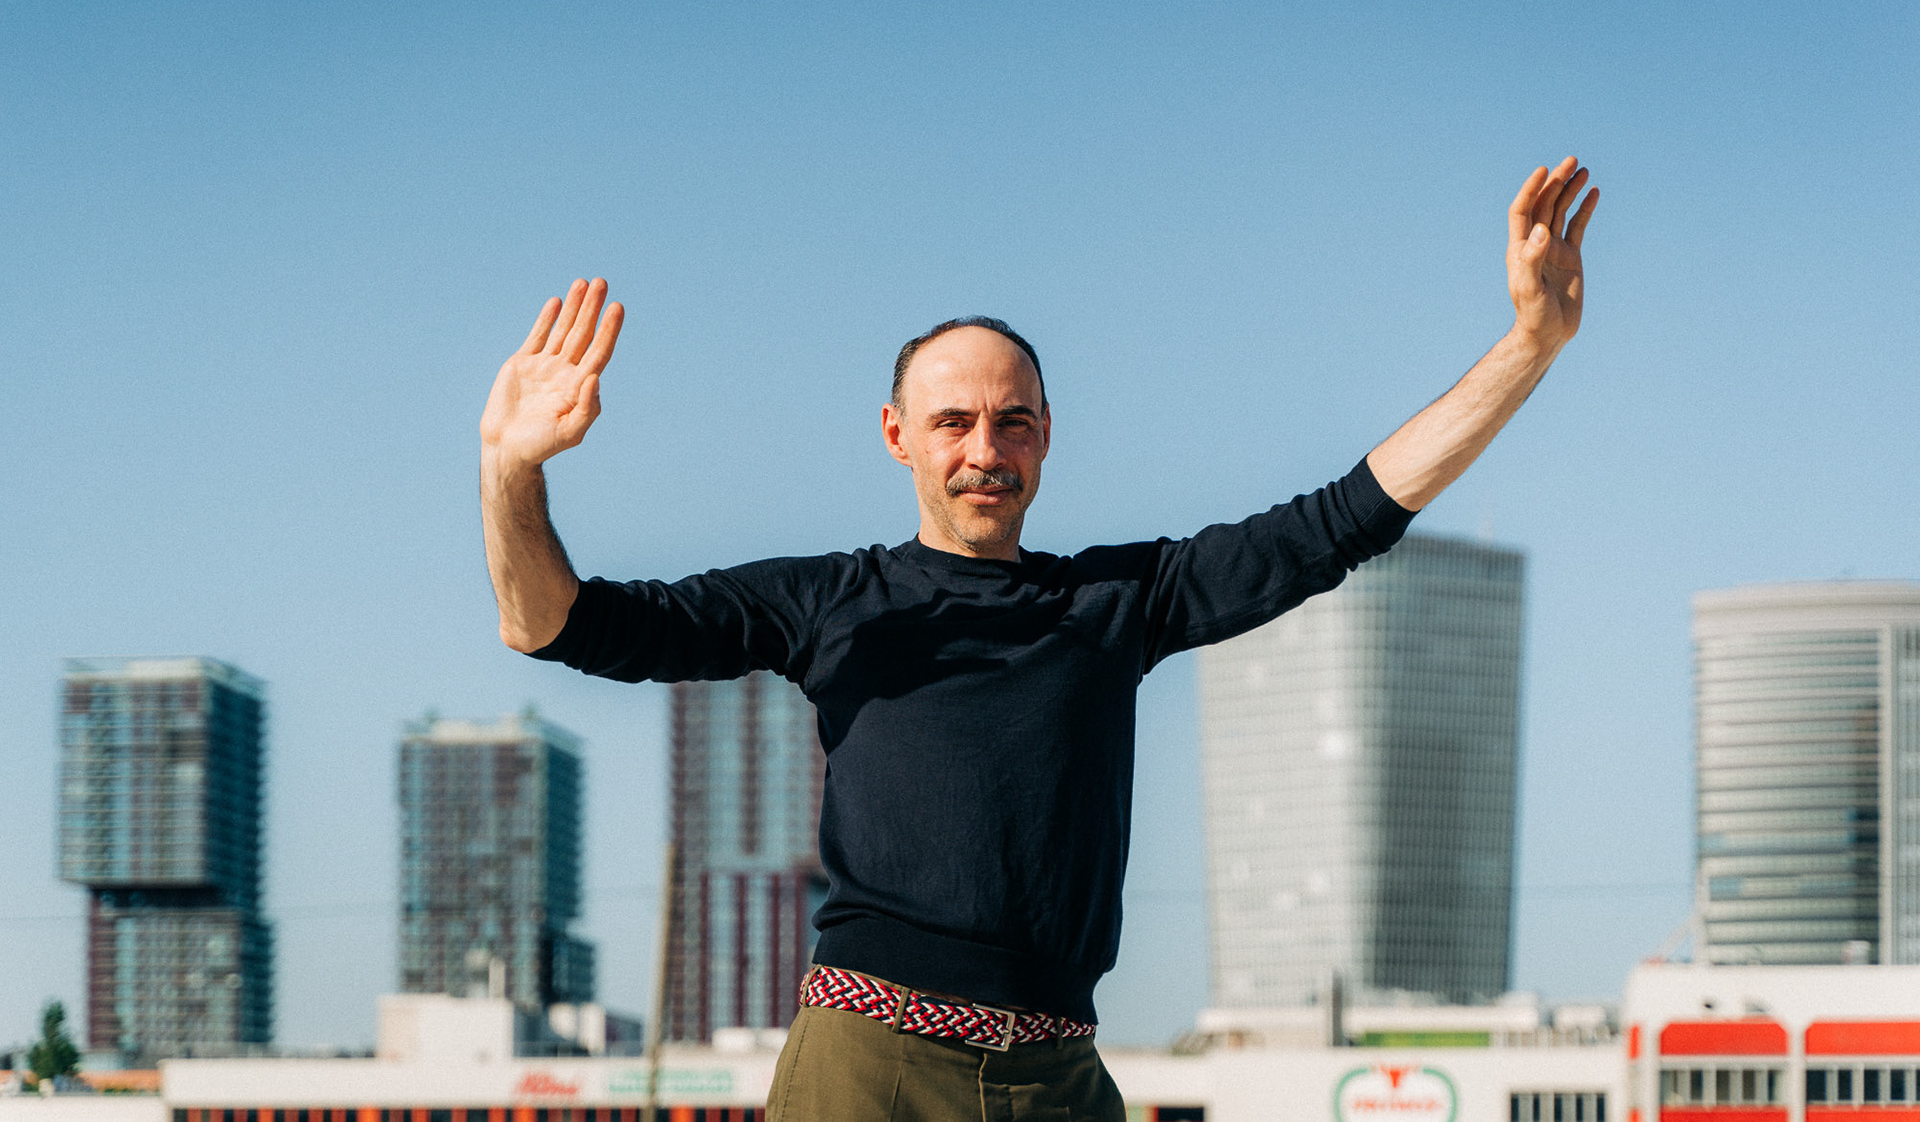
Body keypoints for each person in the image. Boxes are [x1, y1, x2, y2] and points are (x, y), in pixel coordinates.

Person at [478, 159, 1598, 1121]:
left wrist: (1530, 346)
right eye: (953, 422)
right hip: (871, 1067)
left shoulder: (1117, 601)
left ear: (1047, 435)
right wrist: (511, 467)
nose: (985, 449)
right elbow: (550, 622)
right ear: (897, 436)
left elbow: (1343, 518)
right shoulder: (829, 600)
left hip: (1059, 1074)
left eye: (1012, 421)